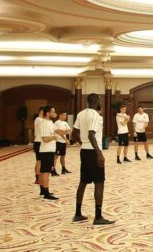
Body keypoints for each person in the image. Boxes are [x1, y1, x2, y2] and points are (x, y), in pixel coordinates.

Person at [71, 93, 114, 225]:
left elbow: (74, 133)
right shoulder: (96, 115)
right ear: (97, 101)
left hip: (84, 151)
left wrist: (82, 142)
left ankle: (77, 214)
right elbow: (91, 134)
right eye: (100, 100)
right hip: (93, 152)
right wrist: (99, 153)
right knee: (99, 183)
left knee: (83, 182)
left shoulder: (81, 113)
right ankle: (98, 217)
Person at [37, 106, 61, 200]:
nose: (55, 113)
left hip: (49, 150)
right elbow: (45, 139)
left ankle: (43, 190)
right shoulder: (44, 123)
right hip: (46, 150)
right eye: (53, 112)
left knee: (43, 171)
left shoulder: (50, 122)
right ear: (47, 113)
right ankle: (46, 193)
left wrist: (69, 131)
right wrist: (55, 137)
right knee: (46, 172)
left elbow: (58, 130)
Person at [33, 106, 44, 184]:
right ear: (41, 111)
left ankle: (40, 177)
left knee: (41, 161)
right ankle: (37, 178)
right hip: (39, 142)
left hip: (42, 142)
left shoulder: (41, 120)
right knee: (39, 161)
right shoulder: (39, 120)